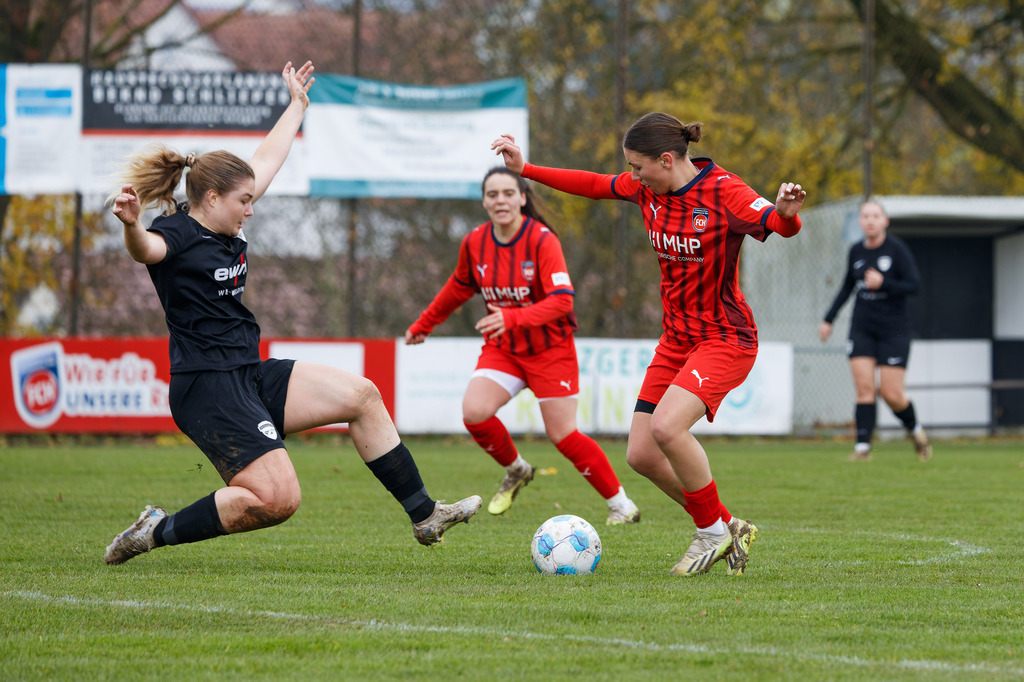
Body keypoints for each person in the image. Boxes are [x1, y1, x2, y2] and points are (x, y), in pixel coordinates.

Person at [104, 61, 480, 566]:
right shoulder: (176, 233)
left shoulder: (225, 214)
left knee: (363, 396)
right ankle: (156, 530)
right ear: (211, 198)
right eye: (243, 200)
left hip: (247, 374)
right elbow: (144, 250)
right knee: (277, 500)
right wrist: (130, 224)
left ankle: (425, 515)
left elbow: (267, 157)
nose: (251, 209)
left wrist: (298, 105)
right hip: (207, 387)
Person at [491, 113, 807, 577]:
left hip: (725, 338)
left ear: (666, 159)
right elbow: (594, 185)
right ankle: (724, 523)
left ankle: (711, 533)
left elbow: (779, 226)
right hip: (676, 340)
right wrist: (526, 169)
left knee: (667, 428)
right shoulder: (647, 190)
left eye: (638, 167)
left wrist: (785, 211)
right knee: (640, 453)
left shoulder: (724, 191)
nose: (632, 177)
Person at [404, 167, 641, 525]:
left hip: (551, 349)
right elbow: (458, 287)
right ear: (484, 201)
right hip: (505, 350)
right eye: (493, 194)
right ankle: (517, 470)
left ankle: (621, 505)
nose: (500, 200)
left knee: (563, 435)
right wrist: (424, 324)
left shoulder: (542, 240)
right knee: (475, 412)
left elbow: (562, 301)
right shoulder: (475, 242)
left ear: (522, 198)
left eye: (508, 193)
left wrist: (512, 317)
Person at [818, 199, 931, 462]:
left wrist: (884, 283)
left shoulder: (896, 249)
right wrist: (828, 319)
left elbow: (914, 286)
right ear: (860, 221)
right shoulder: (856, 251)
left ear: (884, 221)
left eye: (875, 216)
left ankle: (916, 431)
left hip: (894, 330)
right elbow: (847, 287)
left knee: (891, 394)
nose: (870, 220)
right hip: (862, 327)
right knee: (864, 388)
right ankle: (862, 449)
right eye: (865, 216)